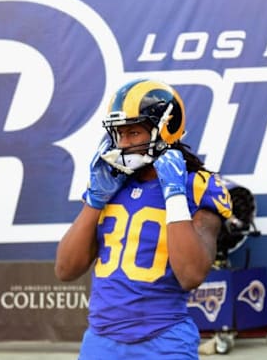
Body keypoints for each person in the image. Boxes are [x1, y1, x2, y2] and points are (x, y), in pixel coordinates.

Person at [55, 79, 232, 359]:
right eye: (119, 134)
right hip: (100, 340)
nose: (123, 144)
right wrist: (94, 201)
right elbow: (65, 270)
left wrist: (174, 195)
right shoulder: (109, 181)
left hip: (164, 341)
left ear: (167, 129)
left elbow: (191, 275)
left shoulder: (197, 185)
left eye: (134, 132)